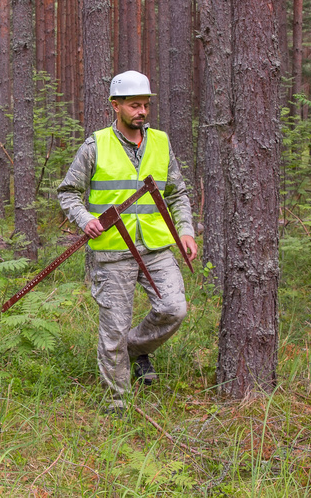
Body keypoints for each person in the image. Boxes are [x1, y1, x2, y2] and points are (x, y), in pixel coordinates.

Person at [57, 70, 198, 410]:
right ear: (115, 106)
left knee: (173, 308)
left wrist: (186, 230)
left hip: (155, 247)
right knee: (113, 332)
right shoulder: (95, 145)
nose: (142, 112)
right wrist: (86, 220)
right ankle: (117, 404)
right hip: (113, 253)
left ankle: (135, 350)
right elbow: (68, 193)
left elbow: (177, 193)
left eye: (146, 106)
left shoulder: (161, 143)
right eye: (135, 105)